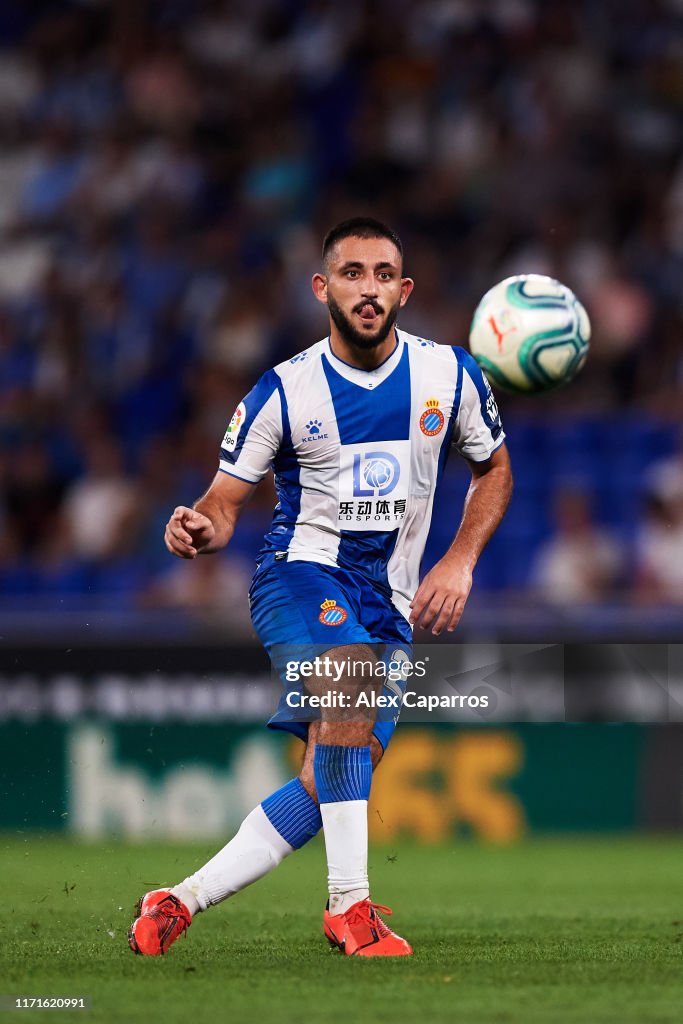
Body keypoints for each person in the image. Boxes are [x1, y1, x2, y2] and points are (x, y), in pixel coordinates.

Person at [128, 217, 512, 959]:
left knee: (327, 778)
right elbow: (222, 501)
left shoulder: (450, 375)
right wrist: (199, 527)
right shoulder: (282, 391)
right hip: (298, 575)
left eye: (380, 275)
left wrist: (459, 559)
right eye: (350, 273)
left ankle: (178, 901)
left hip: (390, 604)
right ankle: (351, 910)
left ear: (403, 290)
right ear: (322, 287)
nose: (366, 289)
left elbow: (493, 467)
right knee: (349, 681)